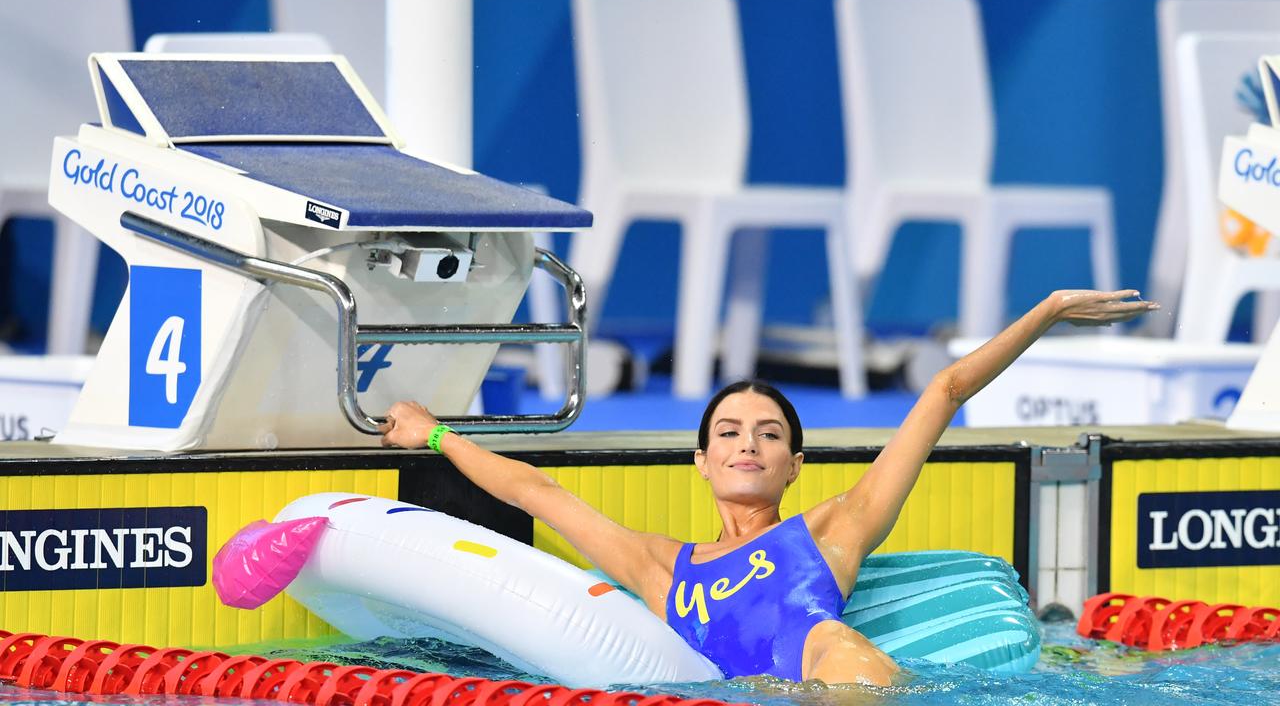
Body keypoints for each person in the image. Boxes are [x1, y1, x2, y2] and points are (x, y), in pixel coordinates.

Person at [379, 289, 1157, 685]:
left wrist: (1047, 313)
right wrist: (435, 434)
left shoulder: (830, 533)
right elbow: (536, 494)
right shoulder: (661, 568)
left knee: (842, 657)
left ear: (794, 465)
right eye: (729, 432)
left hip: (842, 681)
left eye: (769, 433)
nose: (747, 443)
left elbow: (947, 389)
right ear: (701, 460)